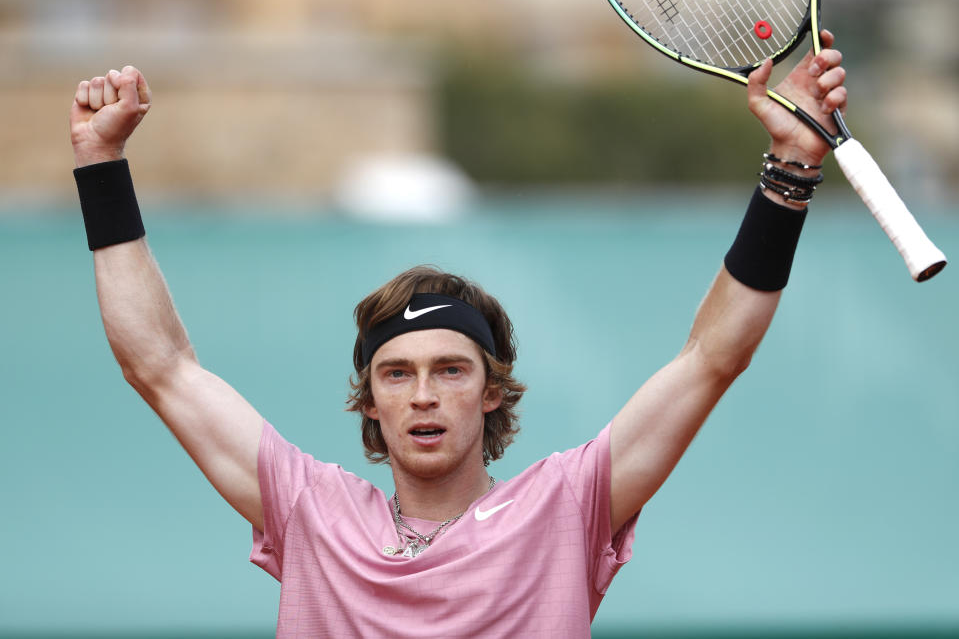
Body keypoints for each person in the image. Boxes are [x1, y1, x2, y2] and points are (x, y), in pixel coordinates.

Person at [69, 32, 848, 637]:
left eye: (449, 368)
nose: (423, 393)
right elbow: (160, 364)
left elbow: (712, 357)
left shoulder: (565, 508)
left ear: (491, 391)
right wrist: (101, 164)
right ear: (369, 402)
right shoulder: (310, 511)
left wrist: (788, 170)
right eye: (397, 373)